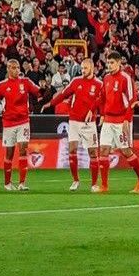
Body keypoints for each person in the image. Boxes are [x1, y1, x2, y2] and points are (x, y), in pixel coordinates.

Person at [43, 56, 103, 193]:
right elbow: (63, 94)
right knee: (72, 150)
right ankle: (75, 180)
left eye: (85, 68)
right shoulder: (76, 81)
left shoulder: (99, 84)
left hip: (89, 123)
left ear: (92, 68)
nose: (83, 70)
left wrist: (97, 113)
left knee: (93, 153)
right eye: (81, 68)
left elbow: (101, 101)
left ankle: (94, 184)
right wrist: (51, 104)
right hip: (74, 121)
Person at [0, 58, 40, 192]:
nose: (16, 70)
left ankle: (22, 183)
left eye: (18, 67)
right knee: (9, 153)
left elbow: (38, 91)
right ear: (8, 69)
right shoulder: (2, 85)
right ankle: (7, 183)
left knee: (23, 149)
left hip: (23, 121)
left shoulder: (25, 82)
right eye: (13, 68)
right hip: (8, 123)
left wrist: (44, 90)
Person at [99, 50, 139, 193]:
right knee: (103, 150)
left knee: (126, 151)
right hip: (108, 120)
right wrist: (102, 114)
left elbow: (132, 100)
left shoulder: (125, 78)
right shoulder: (106, 78)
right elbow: (102, 98)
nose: (109, 65)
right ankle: (104, 185)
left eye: (112, 62)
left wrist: (127, 119)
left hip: (122, 120)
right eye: (108, 62)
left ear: (119, 63)